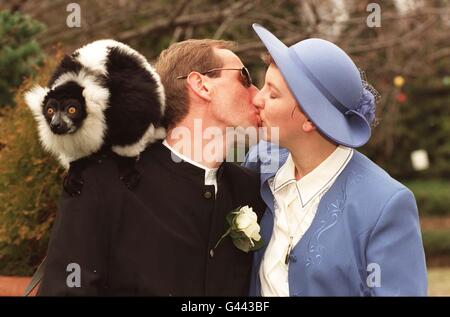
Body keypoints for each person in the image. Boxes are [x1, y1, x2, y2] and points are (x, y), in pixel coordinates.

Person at [38, 39, 266, 296]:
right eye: (244, 78)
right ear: (201, 85)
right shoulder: (100, 182)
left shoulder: (250, 190)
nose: (259, 96)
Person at [244, 24, 427, 296]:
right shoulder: (260, 164)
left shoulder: (386, 205)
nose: (257, 99)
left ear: (309, 119)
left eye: (273, 94)